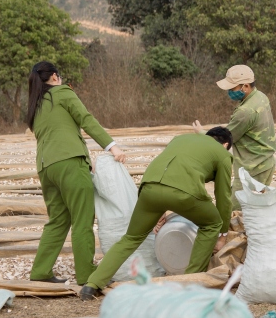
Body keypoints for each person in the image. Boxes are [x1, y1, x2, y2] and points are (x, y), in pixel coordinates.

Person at [80, 127, 234, 299]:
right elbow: (224, 197)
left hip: (149, 188)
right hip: (185, 194)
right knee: (212, 223)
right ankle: (189, 283)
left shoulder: (180, 139)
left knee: (131, 238)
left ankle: (92, 284)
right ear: (225, 144)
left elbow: (172, 174)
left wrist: (160, 210)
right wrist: (223, 234)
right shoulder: (223, 155)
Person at [27, 61, 128, 286]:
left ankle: (40, 270)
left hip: (46, 167)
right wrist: (112, 146)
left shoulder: (36, 106)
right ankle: (86, 273)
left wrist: (84, 155)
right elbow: (86, 120)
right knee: (83, 218)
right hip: (69, 163)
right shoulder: (62, 92)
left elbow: (57, 133)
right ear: (54, 77)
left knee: (57, 220)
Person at [194, 64, 276, 198]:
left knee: (231, 211)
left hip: (252, 169)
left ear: (246, 86)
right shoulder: (260, 97)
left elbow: (225, 139)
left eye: (232, 88)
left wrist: (201, 132)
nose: (230, 92)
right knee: (253, 208)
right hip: (265, 163)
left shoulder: (245, 111)